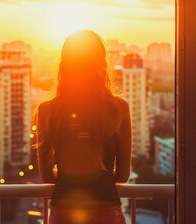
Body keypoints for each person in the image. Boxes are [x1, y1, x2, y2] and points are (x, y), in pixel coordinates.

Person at [33, 30, 132, 224]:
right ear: (101, 63)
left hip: (64, 212)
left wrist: (73, 175)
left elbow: (46, 176)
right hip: (107, 211)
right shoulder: (119, 109)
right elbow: (122, 175)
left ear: (65, 64)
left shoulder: (47, 110)